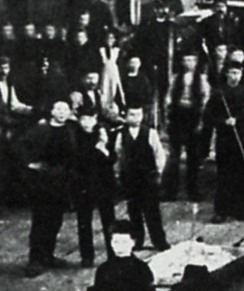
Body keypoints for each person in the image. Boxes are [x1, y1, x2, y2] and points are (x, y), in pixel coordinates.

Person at [18, 100, 78, 277]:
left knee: (55, 220)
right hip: (43, 181)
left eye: (65, 109)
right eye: (58, 108)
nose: (61, 112)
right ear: (51, 111)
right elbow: (21, 145)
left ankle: (48, 255)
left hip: (62, 181)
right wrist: (30, 164)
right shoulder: (40, 129)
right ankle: (35, 260)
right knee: (41, 220)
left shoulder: (71, 130)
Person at [206, 59, 244, 221]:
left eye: (238, 73)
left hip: (243, 139)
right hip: (225, 141)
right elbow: (209, 116)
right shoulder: (219, 94)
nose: (235, 76)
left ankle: (242, 210)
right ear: (226, 74)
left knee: (242, 174)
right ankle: (222, 211)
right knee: (225, 175)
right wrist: (224, 122)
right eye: (232, 73)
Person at [115, 103, 169, 252]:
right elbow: (119, 155)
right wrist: (118, 173)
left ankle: (159, 241)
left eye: (139, 115)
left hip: (147, 177)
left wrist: (158, 172)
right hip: (131, 178)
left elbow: (159, 154)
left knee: (152, 211)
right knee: (134, 211)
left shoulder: (150, 133)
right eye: (132, 115)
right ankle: (137, 240)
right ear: (125, 116)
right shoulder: (121, 134)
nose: (136, 118)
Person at [68, 105, 116, 267]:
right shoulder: (74, 136)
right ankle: (87, 256)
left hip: (103, 183)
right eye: (83, 119)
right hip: (83, 184)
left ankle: (113, 254)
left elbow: (112, 158)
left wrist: (104, 149)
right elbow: (75, 159)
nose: (87, 123)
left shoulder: (104, 135)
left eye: (90, 119)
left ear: (96, 119)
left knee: (109, 220)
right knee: (84, 221)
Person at [163, 46, 212, 201]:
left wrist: (201, 121)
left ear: (196, 62)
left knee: (193, 156)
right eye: (186, 60)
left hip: (193, 116)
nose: (188, 63)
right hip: (178, 116)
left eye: (191, 60)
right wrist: (168, 116)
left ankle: (193, 191)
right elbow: (168, 98)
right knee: (174, 156)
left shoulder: (202, 79)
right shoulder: (175, 78)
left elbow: (205, 100)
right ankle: (171, 191)